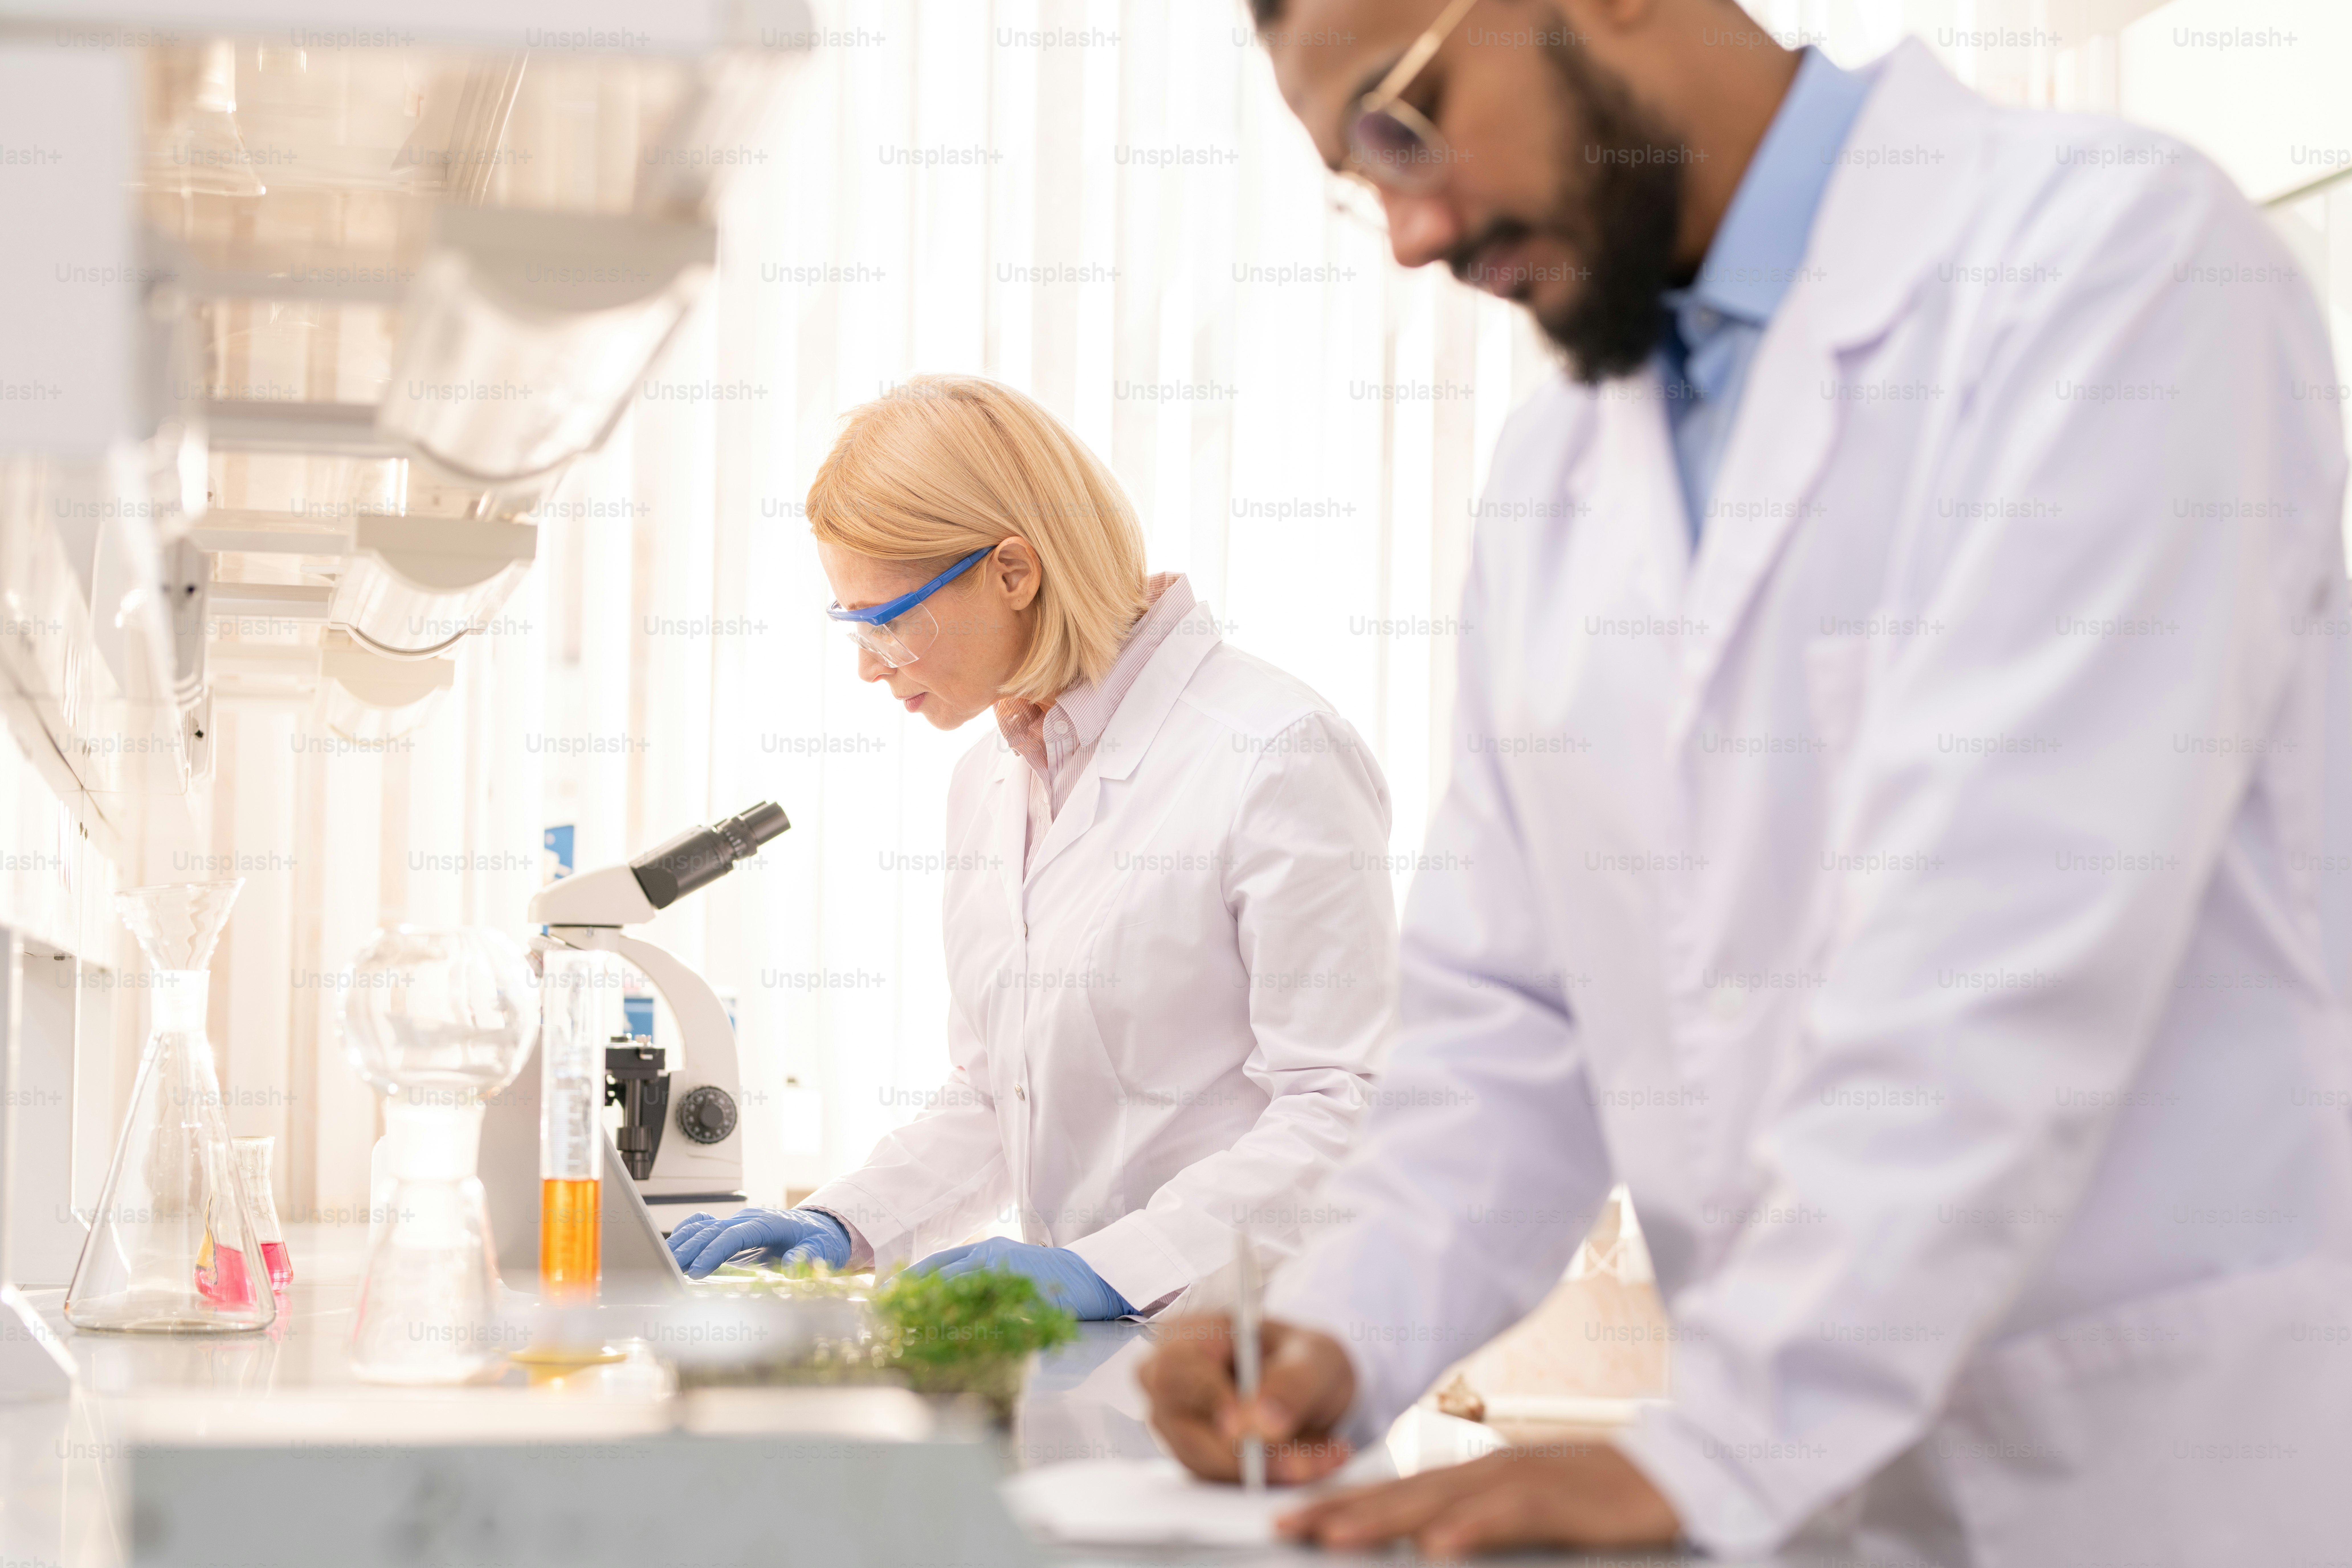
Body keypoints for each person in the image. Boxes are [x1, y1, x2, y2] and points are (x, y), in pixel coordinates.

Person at [1140, 0, 2352, 1562]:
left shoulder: (2109, 265)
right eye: (1357, 175)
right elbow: (1511, 1015)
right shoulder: (1558, 475)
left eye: (1402, 120)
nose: (1410, 230)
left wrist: (1716, 1453)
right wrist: (1342, 1325)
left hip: (2148, 1476)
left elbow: (2001, 942)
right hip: (1816, 1502)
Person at [665, 375, 1396, 1321]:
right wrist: (845, 1224)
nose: (866, 664)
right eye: (852, 626)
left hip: (1262, 1350)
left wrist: (1114, 1268)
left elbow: (1344, 1103)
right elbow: (993, 1095)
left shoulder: (1273, 750)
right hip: (1092, 1368)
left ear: (1014, 572)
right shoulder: (989, 780)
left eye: (888, 622)